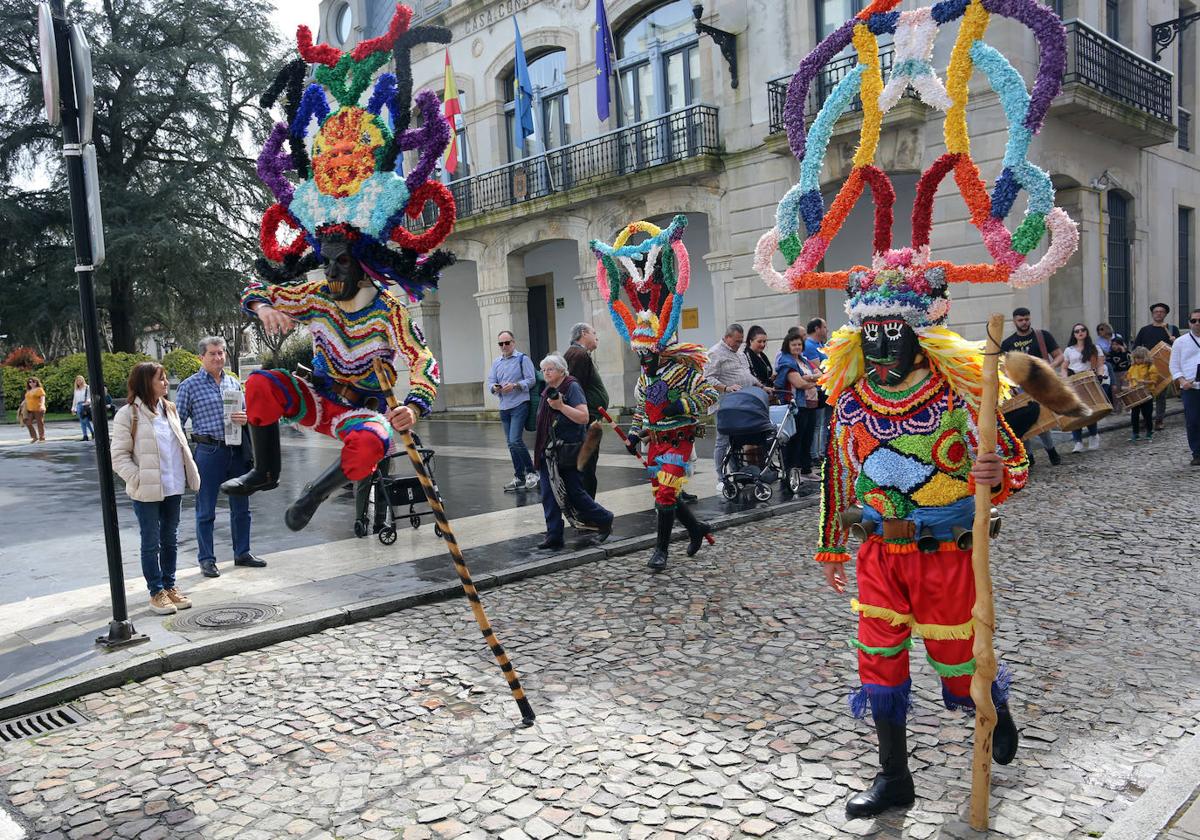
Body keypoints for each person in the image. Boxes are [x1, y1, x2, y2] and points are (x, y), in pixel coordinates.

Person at [219, 15, 454, 536]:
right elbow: (255, 288)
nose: (333, 270)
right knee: (259, 383)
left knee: (371, 445)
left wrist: (413, 406)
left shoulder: (387, 307)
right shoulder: (317, 292)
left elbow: (424, 360)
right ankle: (264, 469)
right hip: (318, 397)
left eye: (342, 261)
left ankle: (314, 494)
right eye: (327, 260)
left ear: (363, 258)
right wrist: (264, 305)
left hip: (361, 412)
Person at [591, 215, 718, 572]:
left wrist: (679, 402)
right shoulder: (645, 379)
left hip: (680, 438)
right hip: (656, 441)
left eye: (646, 354)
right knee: (664, 492)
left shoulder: (683, 369)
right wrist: (634, 433)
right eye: (638, 354)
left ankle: (660, 550)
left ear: (658, 349)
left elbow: (710, 397)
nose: (642, 359)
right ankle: (696, 528)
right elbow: (644, 410)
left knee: (665, 492)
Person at [110, 362, 200, 615]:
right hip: (146, 490)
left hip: (173, 486)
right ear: (145, 382)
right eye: (160, 378)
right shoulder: (128, 414)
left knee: (170, 539)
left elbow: (178, 447)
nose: (165, 383)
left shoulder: (169, 408)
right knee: (151, 542)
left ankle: (170, 586)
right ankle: (156, 591)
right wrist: (138, 478)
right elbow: (118, 456)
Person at [175, 337, 265, 578]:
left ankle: (242, 553)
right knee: (206, 510)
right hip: (208, 452)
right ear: (201, 357)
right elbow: (177, 424)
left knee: (242, 507)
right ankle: (206, 559)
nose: (218, 357)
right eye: (213, 354)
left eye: (221, 353)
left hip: (236, 451)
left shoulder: (234, 383)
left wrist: (246, 418)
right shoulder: (189, 386)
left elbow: (248, 414)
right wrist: (183, 459)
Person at [533, 354, 613, 549]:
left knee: (575, 493)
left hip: (567, 450)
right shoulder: (549, 389)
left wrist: (561, 406)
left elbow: (583, 417)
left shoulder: (572, 387)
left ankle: (605, 518)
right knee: (548, 494)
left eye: (550, 369)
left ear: (562, 370)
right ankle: (554, 535)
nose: (546, 373)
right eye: (544, 370)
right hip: (549, 451)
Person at [1000, 307, 1065, 465]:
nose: (1024, 322)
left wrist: (1050, 366)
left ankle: (1051, 451)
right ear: (1014, 321)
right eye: (1020, 320)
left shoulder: (1042, 336)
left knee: (1042, 418)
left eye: (1027, 319)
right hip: (1019, 388)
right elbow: (1001, 367)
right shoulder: (1008, 343)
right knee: (1025, 421)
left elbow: (1060, 356)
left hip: (1041, 384)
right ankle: (1029, 456)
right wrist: (1009, 383)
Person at [703, 323, 759, 491]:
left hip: (740, 404)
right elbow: (707, 378)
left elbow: (747, 375)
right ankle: (721, 477)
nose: (739, 344)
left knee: (736, 441)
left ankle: (736, 473)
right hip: (723, 405)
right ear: (727, 338)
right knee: (722, 441)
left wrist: (761, 386)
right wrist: (726, 388)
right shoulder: (714, 353)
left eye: (741, 341)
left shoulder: (739, 353)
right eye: (736, 341)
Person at [486, 331, 539, 492]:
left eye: (507, 343)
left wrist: (515, 385)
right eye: (501, 344)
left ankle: (531, 472)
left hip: (520, 404)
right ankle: (519, 477)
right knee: (511, 444)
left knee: (515, 440)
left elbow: (531, 380)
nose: (504, 347)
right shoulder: (496, 362)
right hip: (504, 407)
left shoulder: (523, 359)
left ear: (513, 343)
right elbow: (490, 381)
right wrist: (495, 387)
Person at [774, 328, 821, 497]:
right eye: (793, 345)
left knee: (807, 438)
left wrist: (810, 379)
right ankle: (792, 471)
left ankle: (806, 469)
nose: (797, 347)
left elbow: (820, 373)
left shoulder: (804, 359)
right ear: (787, 346)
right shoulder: (787, 362)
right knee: (796, 440)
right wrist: (812, 380)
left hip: (810, 404)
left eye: (799, 344)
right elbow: (799, 383)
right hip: (796, 405)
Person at [563, 322, 609, 498]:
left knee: (587, 465)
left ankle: (586, 505)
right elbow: (575, 387)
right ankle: (587, 507)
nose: (597, 336)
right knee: (587, 466)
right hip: (587, 420)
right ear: (583, 333)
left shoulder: (578, 354)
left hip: (590, 418)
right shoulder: (579, 354)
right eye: (594, 332)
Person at [1134, 303, 1182, 431]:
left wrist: (1174, 341)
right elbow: (1136, 348)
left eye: (1161, 312)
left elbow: (1180, 348)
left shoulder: (1172, 329)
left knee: (1161, 395)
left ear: (1165, 314)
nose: (1159, 313)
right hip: (1146, 367)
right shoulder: (1144, 330)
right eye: (1156, 311)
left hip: (1164, 367)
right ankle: (1146, 419)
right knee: (1145, 395)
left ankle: (1159, 420)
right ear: (1152, 314)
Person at [1059, 323, 1106, 452]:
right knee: (1075, 412)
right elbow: (1064, 367)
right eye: (1077, 331)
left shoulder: (1094, 348)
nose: (1080, 332)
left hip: (1089, 379)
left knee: (1090, 410)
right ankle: (1078, 442)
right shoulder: (1069, 350)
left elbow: (1101, 365)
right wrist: (1065, 379)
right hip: (1074, 380)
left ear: (1086, 332)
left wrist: (1100, 376)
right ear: (1073, 334)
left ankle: (1093, 436)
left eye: (1082, 330)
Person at [1168, 308, 1200, 465]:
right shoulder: (1180, 342)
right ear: (1189, 323)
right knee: (1193, 421)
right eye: (1194, 321)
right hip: (1190, 388)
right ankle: (1197, 453)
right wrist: (1182, 381)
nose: (1197, 323)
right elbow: (1174, 366)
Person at [804, 318, 831, 463]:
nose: (826, 330)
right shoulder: (809, 345)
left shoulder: (820, 344)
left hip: (826, 388)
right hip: (818, 389)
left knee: (825, 422)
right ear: (817, 329)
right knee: (818, 424)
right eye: (824, 327)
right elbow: (821, 367)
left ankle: (823, 451)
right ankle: (815, 454)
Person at [1125, 347, 1167, 441]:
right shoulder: (1132, 367)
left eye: (1140, 358)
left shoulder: (1151, 367)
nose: (1138, 360)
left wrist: (1143, 382)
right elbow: (1129, 378)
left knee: (1147, 414)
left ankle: (1149, 432)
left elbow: (1154, 380)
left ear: (1146, 357)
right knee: (1134, 414)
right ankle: (1135, 433)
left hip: (1147, 393)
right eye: (1136, 358)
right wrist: (1129, 385)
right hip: (1135, 393)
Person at [743, 325, 774, 391]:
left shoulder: (762, 355)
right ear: (751, 341)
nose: (763, 344)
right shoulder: (746, 355)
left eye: (764, 341)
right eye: (759, 341)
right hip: (757, 393)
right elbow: (752, 377)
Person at [1096, 322, 1116, 408]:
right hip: (1107, 362)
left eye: (1102, 329)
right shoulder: (1099, 341)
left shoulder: (1117, 336)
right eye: (1099, 330)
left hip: (1119, 362)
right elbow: (1103, 353)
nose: (1100, 331)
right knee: (1110, 384)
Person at [22, 377, 46, 443]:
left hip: (38, 409)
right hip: (29, 410)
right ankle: (34, 437)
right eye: (30, 382)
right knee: (27, 422)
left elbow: (42, 397)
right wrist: (22, 405)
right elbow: (26, 399)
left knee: (40, 423)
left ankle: (42, 438)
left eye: (33, 382)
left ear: (36, 382)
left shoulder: (39, 389)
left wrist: (42, 405)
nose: (31, 383)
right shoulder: (28, 391)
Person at [72, 375, 94, 441]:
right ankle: (87, 434)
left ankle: (87, 435)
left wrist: (88, 401)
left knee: (84, 420)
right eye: (77, 380)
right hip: (79, 405)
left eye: (80, 380)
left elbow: (90, 396)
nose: (79, 382)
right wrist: (73, 408)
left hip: (85, 405)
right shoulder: (76, 389)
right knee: (83, 420)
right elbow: (75, 399)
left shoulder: (87, 387)